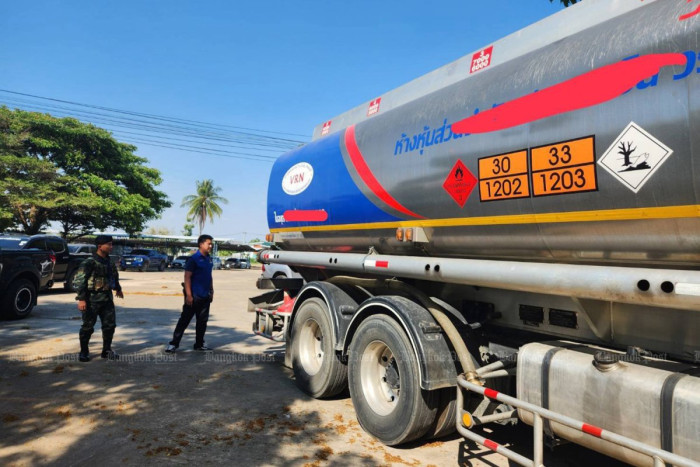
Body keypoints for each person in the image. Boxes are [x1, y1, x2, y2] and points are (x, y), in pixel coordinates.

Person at [75, 235, 124, 362]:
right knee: (87, 327)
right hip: (92, 300)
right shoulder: (89, 262)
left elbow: (114, 277)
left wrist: (118, 289)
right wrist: (81, 299)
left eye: (112, 244)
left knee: (110, 326)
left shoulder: (109, 262)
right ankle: (84, 352)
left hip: (107, 299)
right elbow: (80, 281)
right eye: (109, 244)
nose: (111, 247)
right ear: (100, 246)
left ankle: (106, 351)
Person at [165, 234, 215, 352]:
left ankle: (199, 344)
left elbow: (209, 276)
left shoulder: (209, 259)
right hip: (193, 296)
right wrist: (189, 295)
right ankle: (173, 344)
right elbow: (187, 277)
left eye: (211, 244)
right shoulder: (194, 259)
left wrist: (212, 291)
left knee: (202, 322)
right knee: (184, 320)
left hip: (205, 296)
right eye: (209, 243)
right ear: (201, 244)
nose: (211, 246)